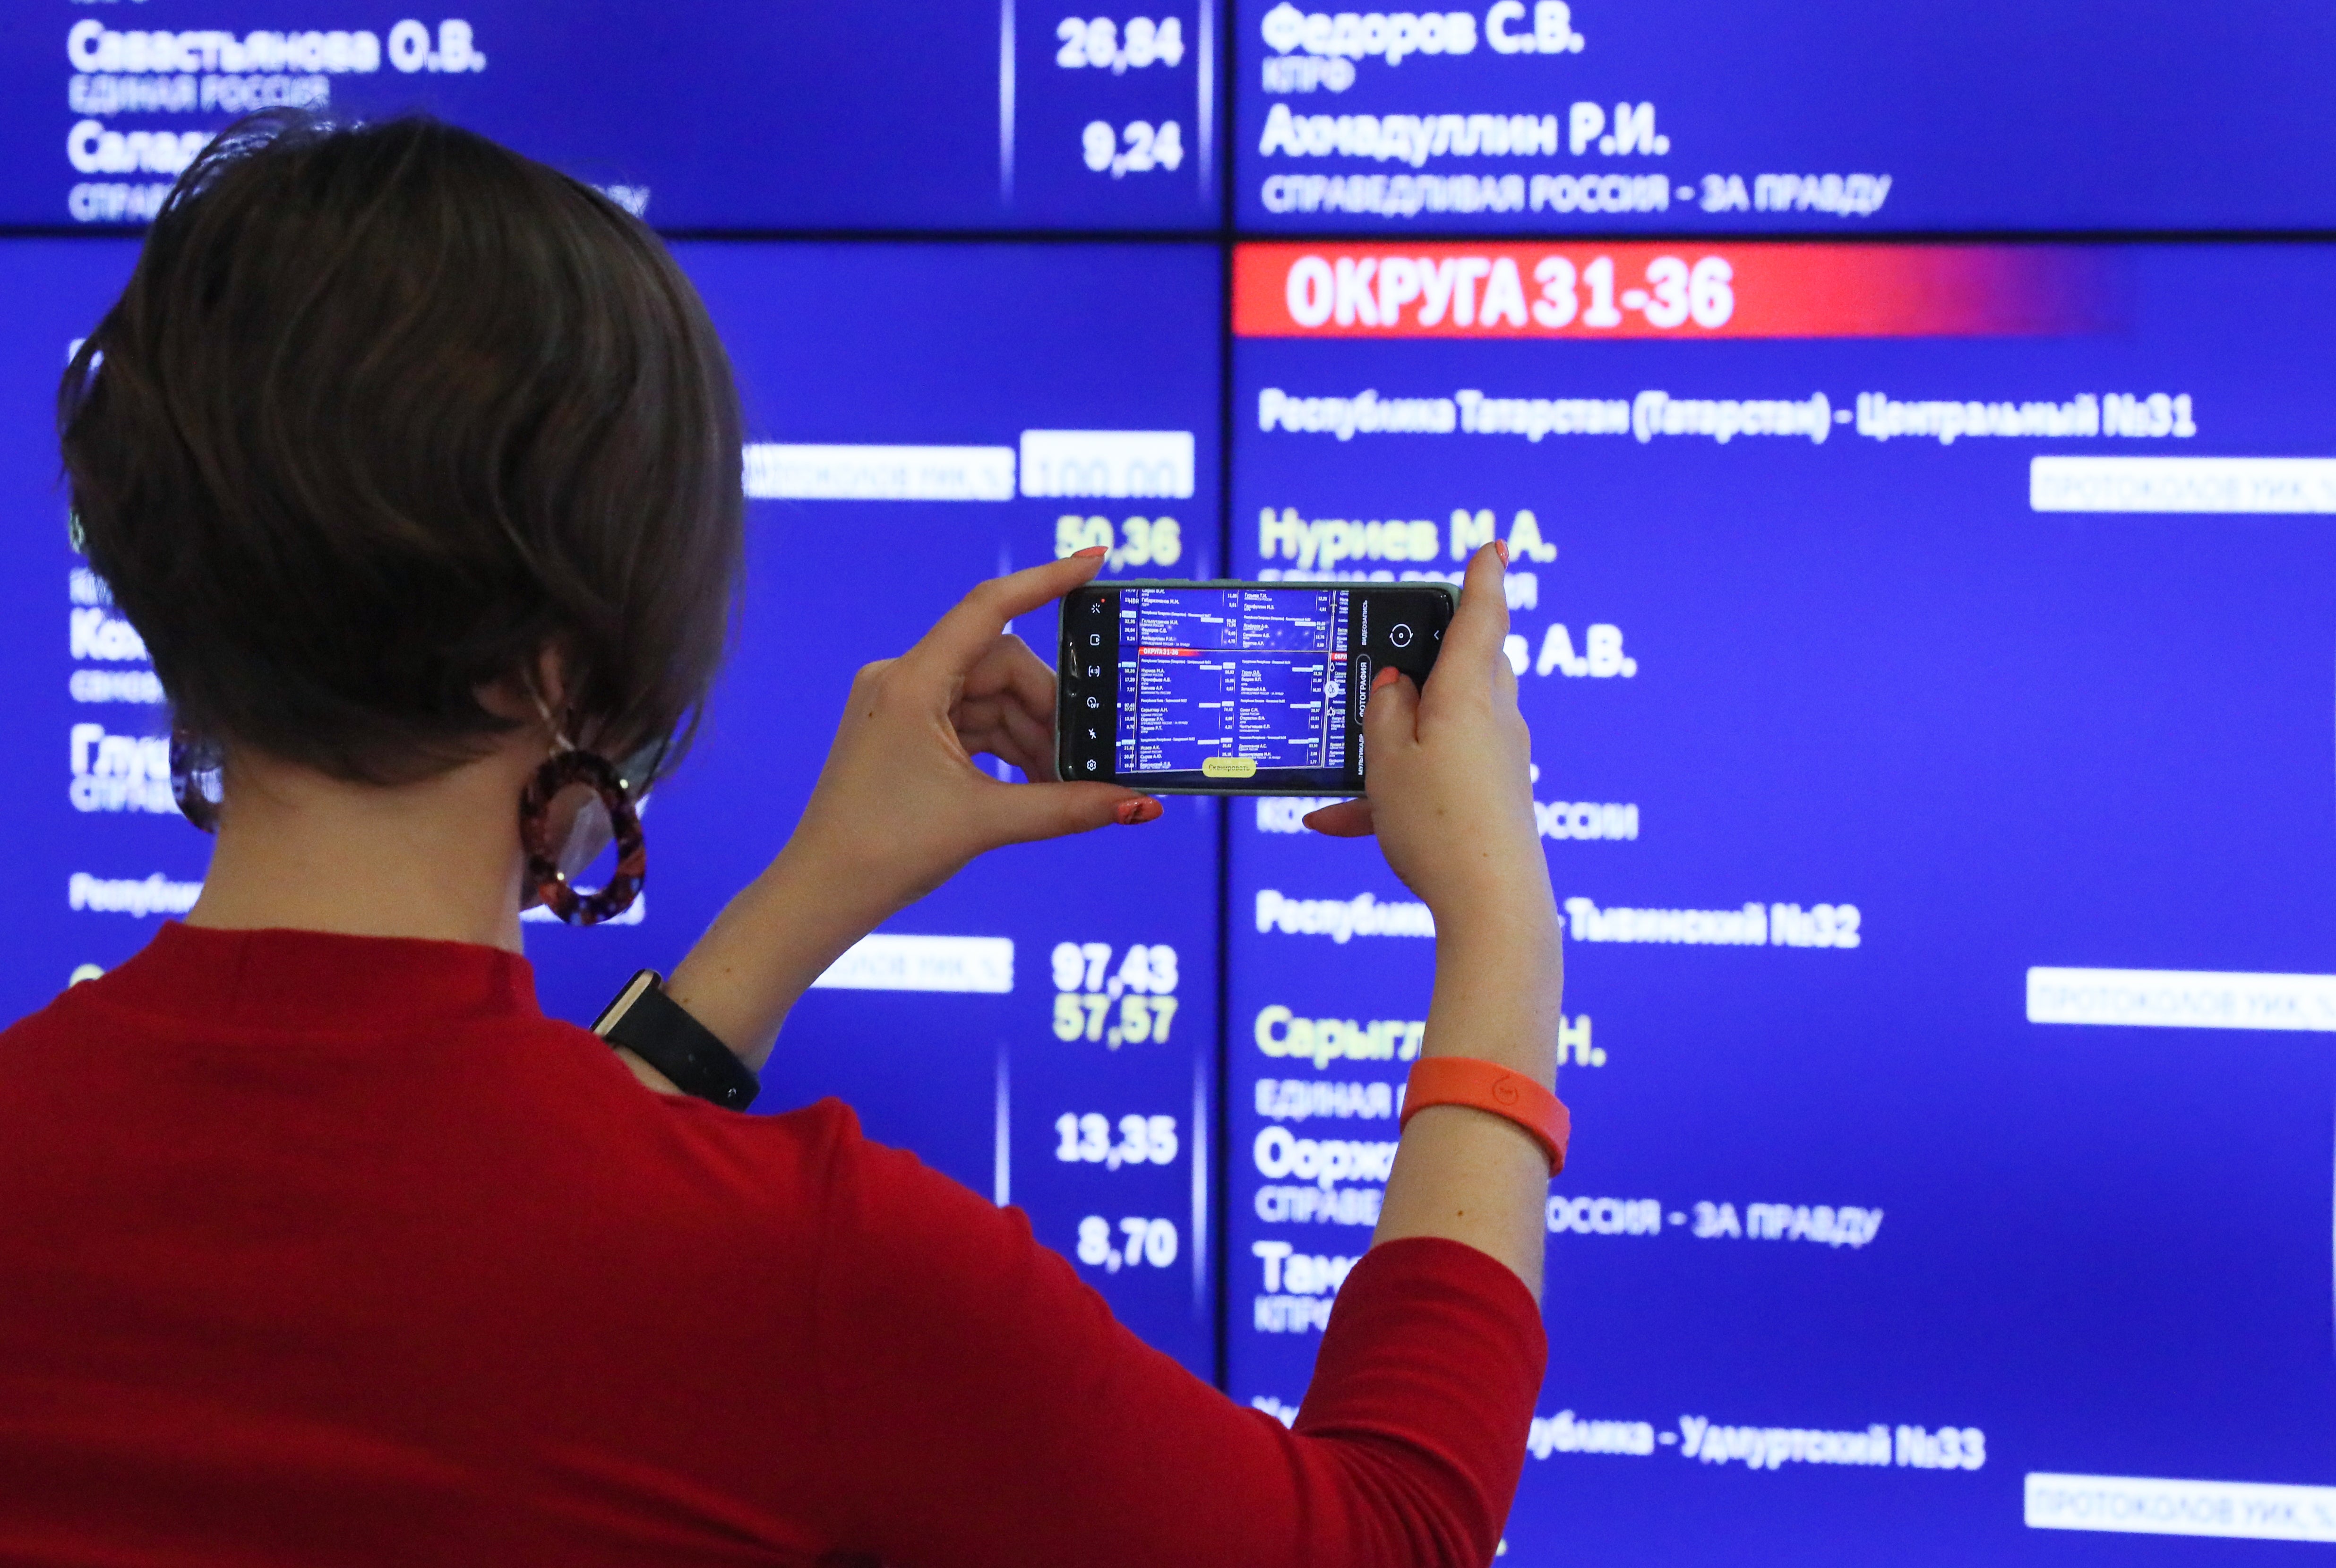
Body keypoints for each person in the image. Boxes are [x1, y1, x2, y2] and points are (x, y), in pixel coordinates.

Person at [0, 112, 1565, 1566]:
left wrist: (808, 898)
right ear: (583, 640)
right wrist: (1502, 918)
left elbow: (425, 1223)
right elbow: (1389, 1534)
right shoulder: (815, 1280)